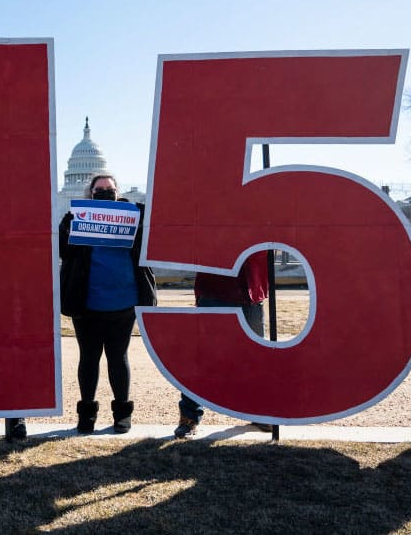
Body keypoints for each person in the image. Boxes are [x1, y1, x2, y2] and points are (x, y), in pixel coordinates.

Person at [59, 174, 157, 434]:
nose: (104, 193)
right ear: (89, 193)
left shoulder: (134, 217)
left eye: (109, 189)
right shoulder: (75, 219)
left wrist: (139, 213)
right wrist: (68, 226)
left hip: (123, 303)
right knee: (88, 359)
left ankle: (122, 414)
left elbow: (153, 232)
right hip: (86, 303)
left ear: (118, 192)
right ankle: (87, 414)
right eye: (99, 190)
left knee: (118, 358)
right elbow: (63, 251)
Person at [173, 255, 271, 439]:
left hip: (250, 287)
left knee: (257, 358)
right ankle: (189, 417)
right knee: (202, 359)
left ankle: (260, 411)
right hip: (216, 287)